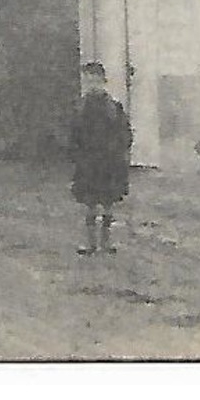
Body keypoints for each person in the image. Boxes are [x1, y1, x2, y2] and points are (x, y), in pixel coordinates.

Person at [70, 61, 131, 256]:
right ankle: (90, 243)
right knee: (89, 203)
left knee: (108, 202)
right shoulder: (80, 107)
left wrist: (118, 151)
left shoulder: (113, 107)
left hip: (109, 161)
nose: (92, 85)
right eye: (88, 81)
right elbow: (73, 134)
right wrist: (76, 153)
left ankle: (106, 242)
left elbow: (125, 133)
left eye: (96, 81)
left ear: (104, 82)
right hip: (88, 161)